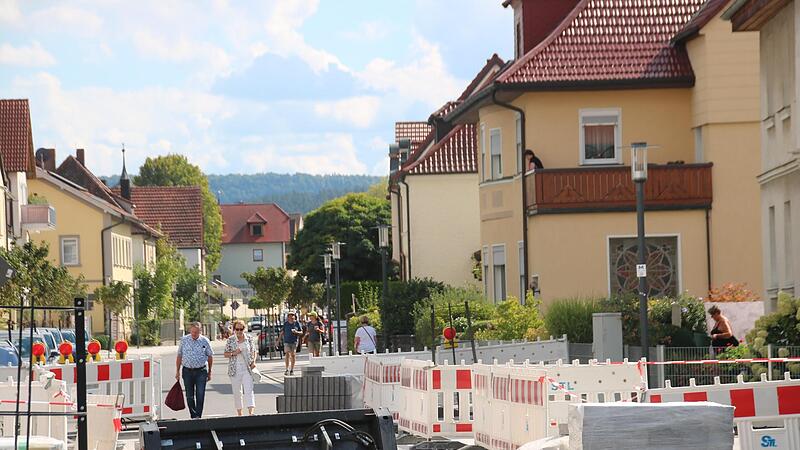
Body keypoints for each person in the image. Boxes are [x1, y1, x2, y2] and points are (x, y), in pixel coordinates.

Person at [175, 322, 214, 419]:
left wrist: (210, 372)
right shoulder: (184, 340)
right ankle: (193, 415)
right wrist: (177, 371)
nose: (194, 334)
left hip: (201, 371)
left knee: (200, 394)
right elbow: (179, 355)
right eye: (192, 332)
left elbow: (210, 356)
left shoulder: (205, 341)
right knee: (189, 395)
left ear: (200, 331)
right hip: (187, 371)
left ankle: (198, 416)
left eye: (196, 332)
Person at [223, 319, 257, 416]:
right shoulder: (231, 340)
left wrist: (253, 362)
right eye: (237, 329)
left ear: (244, 329)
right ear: (234, 329)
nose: (239, 331)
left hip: (247, 368)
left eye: (241, 329)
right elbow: (225, 354)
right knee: (237, 391)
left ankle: (251, 413)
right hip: (235, 368)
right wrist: (234, 353)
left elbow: (254, 351)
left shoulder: (249, 338)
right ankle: (240, 413)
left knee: (249, 389)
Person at [280, 312, 303, 376]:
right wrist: (278, 340)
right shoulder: (286, 324)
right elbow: (282, 332)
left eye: (293, 316)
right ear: (288, 318)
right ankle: (287, 369)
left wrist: (296, 332)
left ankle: (292, 369)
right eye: (290, 317)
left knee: (293, 355)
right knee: (287, 354)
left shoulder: (297, 323)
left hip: (294, 341)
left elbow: (301, 332)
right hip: (286, 341)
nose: (291, 318)